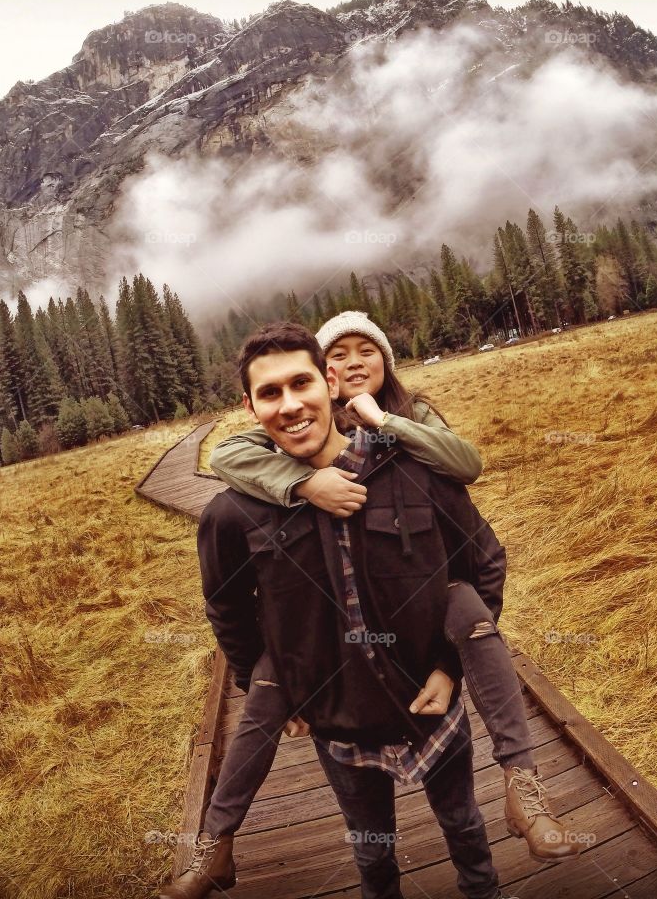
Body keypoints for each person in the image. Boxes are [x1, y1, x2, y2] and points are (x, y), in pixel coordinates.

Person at [160, 318, 577, 899]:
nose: (289, 404)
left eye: (300, 383)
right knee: (371, 852)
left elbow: (482, 563)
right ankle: (218, 841)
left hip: (430, 706)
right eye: (269, 393)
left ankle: (519, 800)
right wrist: (278, 685)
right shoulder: (232, 516)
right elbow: (227, 612)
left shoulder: (409, 468)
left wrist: (449, 668)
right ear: (250, 408)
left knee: (464, 828)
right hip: (339, 722)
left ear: (330, 382)